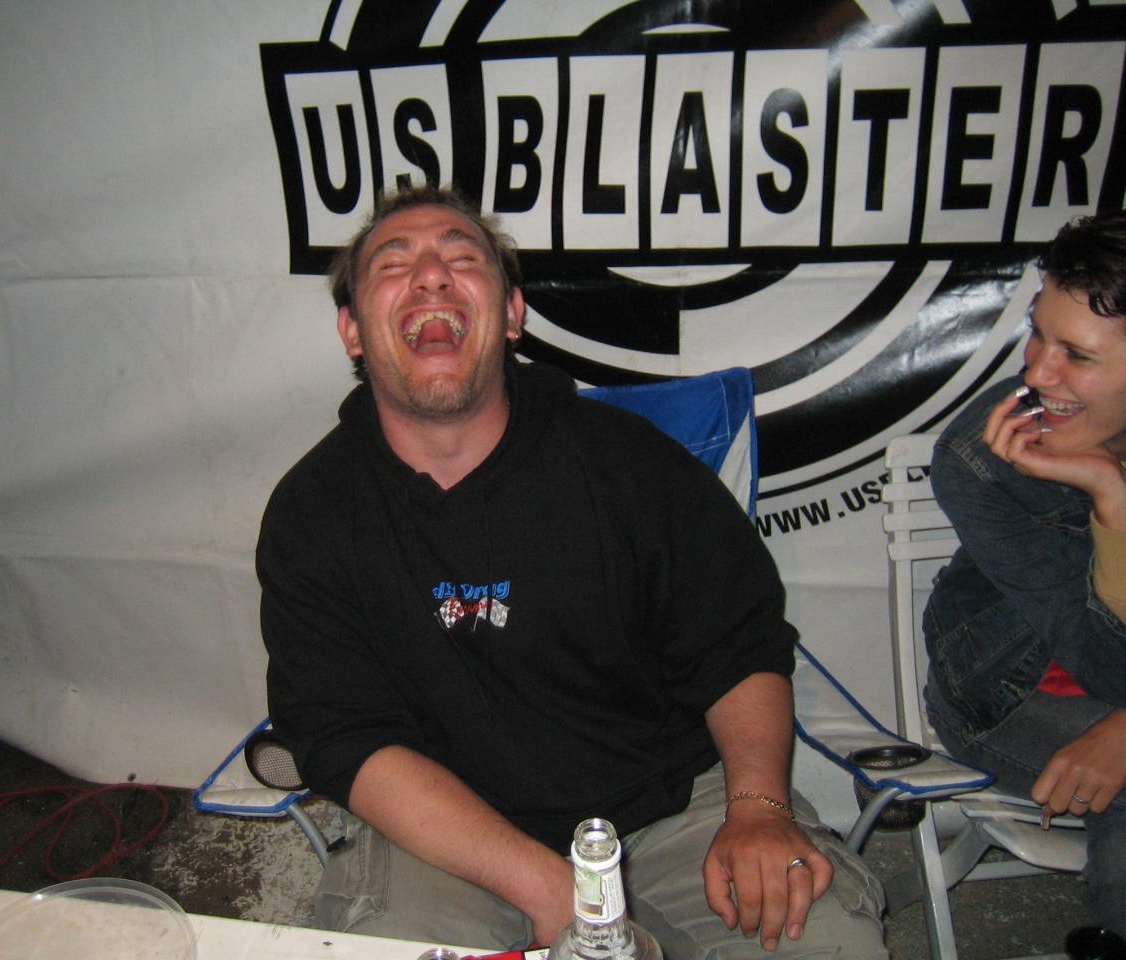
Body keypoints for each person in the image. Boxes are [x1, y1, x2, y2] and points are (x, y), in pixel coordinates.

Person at [256, 183, 886, 957]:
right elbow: (345, 737)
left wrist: (758, 807)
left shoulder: (632, 465)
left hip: (674, 815)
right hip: (448, 839)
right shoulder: (313, 515)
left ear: (512, 314)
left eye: (462, 257)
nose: (431, 276)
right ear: (353, 330)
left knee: (824, 939)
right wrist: (556, 892)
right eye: (393, 263)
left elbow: (739, 646)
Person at [924, 209, 1126, 935]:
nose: (1037, 374)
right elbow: (1104, 664)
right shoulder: (982, 459)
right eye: (1038, 334)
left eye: (1077, 354)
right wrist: (1111, 502)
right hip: (1013, 689)